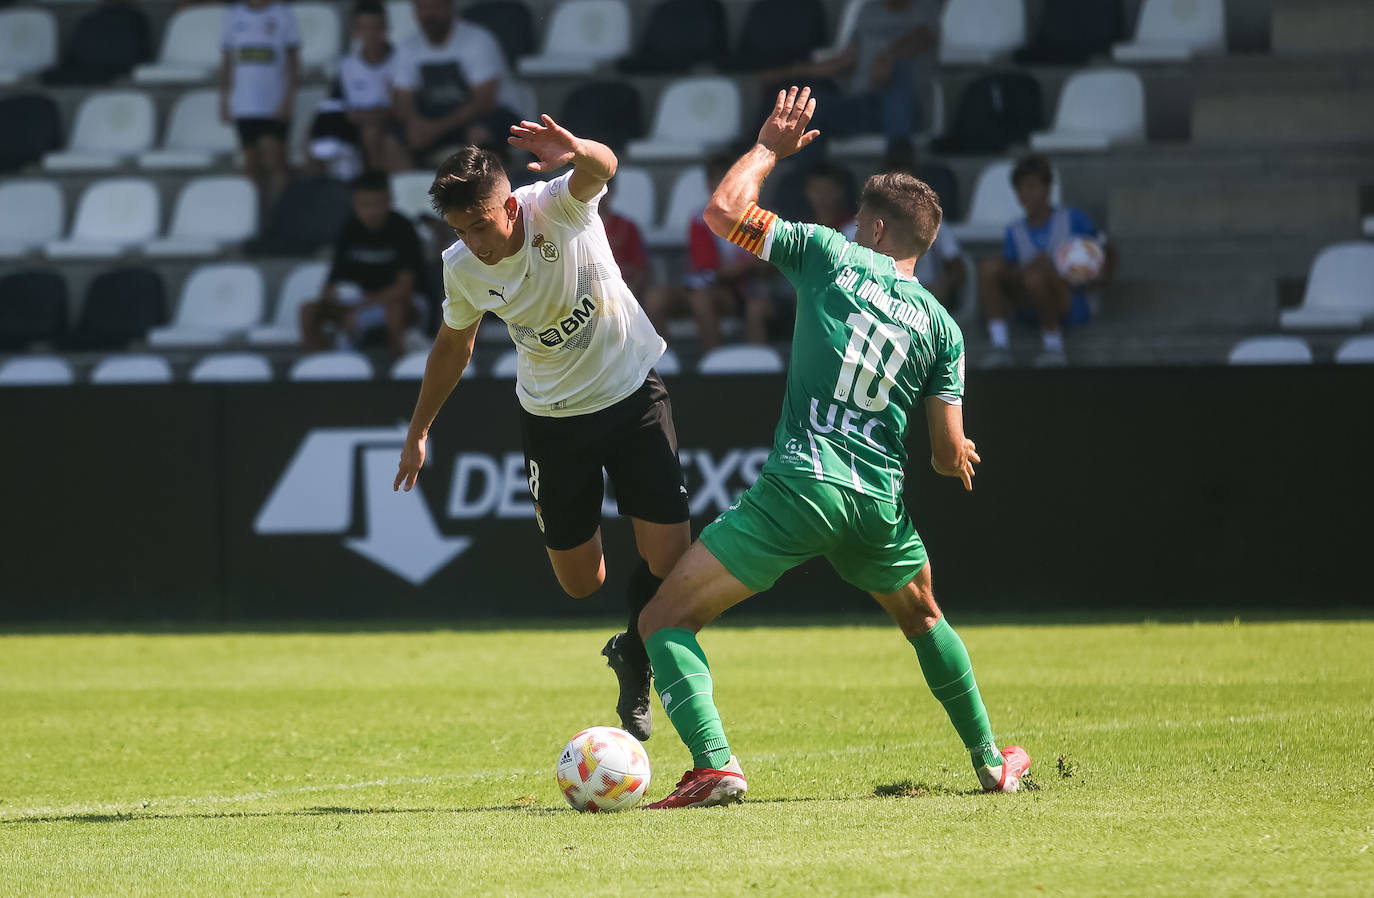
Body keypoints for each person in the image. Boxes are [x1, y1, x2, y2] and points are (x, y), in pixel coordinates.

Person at [635, 87, 1030, 809]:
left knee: (663, 620)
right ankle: (989, 760)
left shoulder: (829, 254)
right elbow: (946, 455)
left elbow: (722, 212)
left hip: (802, 485)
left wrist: (768, 150)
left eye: (858, 219)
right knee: (924, 617)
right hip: (876, 504)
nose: (850, 226)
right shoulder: (944, 328)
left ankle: (715, 762)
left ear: (876, 229)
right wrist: (960, 451)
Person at [392, 118, 692, 743]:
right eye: (459, 232)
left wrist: (580, 149)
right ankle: (624, 645)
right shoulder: (462, 269)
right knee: (583, 583)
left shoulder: (557, 206)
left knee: (671, 562)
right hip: (552, 420)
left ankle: (635, 661)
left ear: (507, 204)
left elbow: (603, 167)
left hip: (632, 394)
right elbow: (454, 347)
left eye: (479, 225)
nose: (473, 242)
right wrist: (420, 429)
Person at [978, 154, 1116, 367]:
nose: (1026, 194)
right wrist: (1028, 268)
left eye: (1033, 186)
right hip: (1029, 304)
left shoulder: (1072, 218)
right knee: (990, 268)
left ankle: (1053, 347)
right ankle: (1000, 346)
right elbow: (1012, 269)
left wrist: (1091, 275)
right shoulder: (1015, 230)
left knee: (1036, 277)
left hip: (1069, 302)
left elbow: (1105, 251)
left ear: (1048, 188)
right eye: (1021, 188)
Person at [759, 0, 940, 154]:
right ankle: (812, 179)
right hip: (863, 108)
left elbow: (924, 37)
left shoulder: (923, 7)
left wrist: (890, 57)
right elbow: (844, 60)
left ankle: (900, 157)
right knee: (812, 106)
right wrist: (788, 72)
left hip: (909, 111)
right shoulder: (869, 10)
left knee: (898, 74)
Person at [642, 154, 781, 350]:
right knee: (656, 298)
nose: (724, 188)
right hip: (706, 288)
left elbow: (770, 263)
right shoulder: (700, 218)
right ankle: (661, 366)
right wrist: (746, 266)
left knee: (702, 299)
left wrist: (746, 268)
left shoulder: (756, 217)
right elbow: (709, 269)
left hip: (744, 292)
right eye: (718, 181)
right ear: (709, 186)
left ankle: (713, 364)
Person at [299, 171, 425, 358]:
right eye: (365, 205)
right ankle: (319, 367)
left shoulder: (403, 229)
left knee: (395, 310)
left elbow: (403, 288)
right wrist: (334, 299)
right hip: (358, 302)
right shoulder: (349, 229)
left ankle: (398, 372)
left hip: (399, 303)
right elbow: (332, 282)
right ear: (354, 205)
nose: (372, 212)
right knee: (308, 311)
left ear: (389, 201)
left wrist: (361, 308)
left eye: (378, 204)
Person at [391, 0, 525, 165]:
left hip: (492, 114)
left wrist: (433, 130)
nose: (429, 15)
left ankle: (490, 189)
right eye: (422, 8)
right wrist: (414, 125)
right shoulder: (407, 47)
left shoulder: (478, 41)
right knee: (391, 138)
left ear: (450, 7)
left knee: (478, 134)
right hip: (437, 118)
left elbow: (484, 102)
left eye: (435, 6)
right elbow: (403, 99)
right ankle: (410, 189)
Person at [219, 0, 300, 213]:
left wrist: (288, 99)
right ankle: (252, 217)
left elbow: (293, 61)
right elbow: (228, 60)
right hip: (244, 103)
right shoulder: (233, 15)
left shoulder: (283, 14)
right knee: (250, 164)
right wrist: (224, 99)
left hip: (273, 101)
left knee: (276, 161)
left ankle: (279, 216)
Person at [336, 0, 409, 173]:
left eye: (376, 27)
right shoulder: (346, 66)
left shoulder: (401, 61)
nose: (371, 34)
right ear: (356, 31)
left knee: (372, 132)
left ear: (385, 28)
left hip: (391, 126)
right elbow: (344, 110)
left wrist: (369, 116)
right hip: (355, 128)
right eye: (365, 28)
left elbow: (398, 109)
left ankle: (378, 182)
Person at [598, 179, 650, 300]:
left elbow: (640, 269)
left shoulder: (627, 226)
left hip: (621, 293)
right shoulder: (572, 228)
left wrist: (626, 297)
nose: (598, 194)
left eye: (603, 188)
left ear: (612, 190)